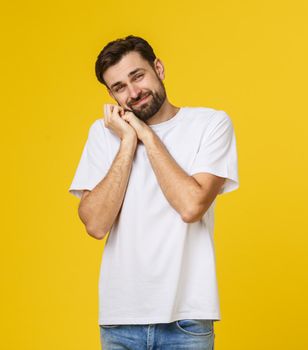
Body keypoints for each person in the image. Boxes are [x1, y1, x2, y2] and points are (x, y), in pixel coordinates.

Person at [69, 35, 239, 349]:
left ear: (158, 68)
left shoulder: (211, 124)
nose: (133, 93)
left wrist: (146, 135)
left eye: (138, 76)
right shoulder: (104, 134)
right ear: (111, 94)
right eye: (120, 87)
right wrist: (126, 143)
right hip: (120, 320)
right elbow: (95, 224)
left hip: (186, 320)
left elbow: (191, 206)